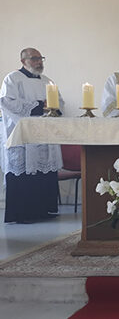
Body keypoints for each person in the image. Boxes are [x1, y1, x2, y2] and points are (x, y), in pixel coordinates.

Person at [0, 48, 64, 223]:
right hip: (21, 135)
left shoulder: (47, 81)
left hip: (44, 135)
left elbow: (59, 103)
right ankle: (22, 214)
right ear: (23, 61)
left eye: (40, 58)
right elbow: (7, 102)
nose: (39, 62)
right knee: (24, 170)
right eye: (34, 58)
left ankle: (44, 210)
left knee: (44, 169)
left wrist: (53, 107)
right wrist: (38, 105)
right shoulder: (12, 79)